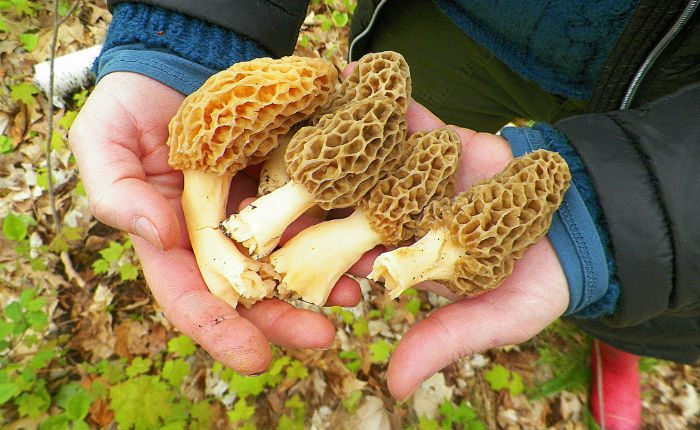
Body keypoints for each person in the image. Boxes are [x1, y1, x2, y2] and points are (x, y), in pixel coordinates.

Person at [69, 1, 700, 428]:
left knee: (620, 283)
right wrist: (186, 33)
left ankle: (615, 339)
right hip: (453, 26)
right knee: (433, 127)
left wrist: (615, 219)